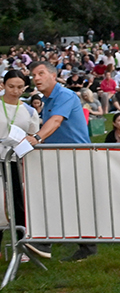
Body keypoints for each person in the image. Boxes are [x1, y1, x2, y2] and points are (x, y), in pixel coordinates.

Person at [27, 61, 97, 262]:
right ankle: (78, 246)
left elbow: (56, 121)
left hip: (75, 156)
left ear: (53, 75)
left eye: (40, 73)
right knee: (63, 200)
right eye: (33, 75)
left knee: (68, 201)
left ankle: (46, 242)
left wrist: (37, 138)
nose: (36, 78)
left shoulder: (64, 95)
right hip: (60, 156)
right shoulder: (48, 100)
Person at [0, 70, 41, 255]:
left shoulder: (29, 110)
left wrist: (30, 141)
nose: (15, 91)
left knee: (18, 203)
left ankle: (22, 246)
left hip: (17, 160)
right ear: (3, 85)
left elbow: (34, 134)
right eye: (11, 87)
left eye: (19, 87)